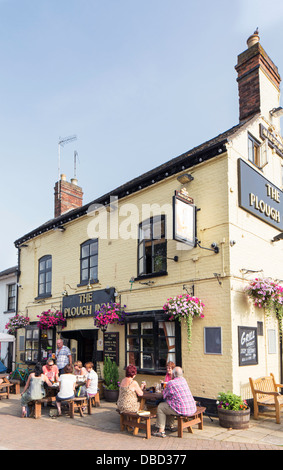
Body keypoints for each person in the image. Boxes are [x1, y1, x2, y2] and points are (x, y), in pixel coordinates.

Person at [153, 366, 197, 438]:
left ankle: (161, 431)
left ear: (173, 374)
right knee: (170, 404)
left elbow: (164, 395)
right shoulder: (184, 380)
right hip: (191, 408)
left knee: (161, 406)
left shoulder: (171, 383)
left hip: (183, 409)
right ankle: (169, 425)